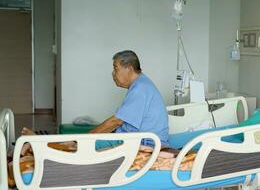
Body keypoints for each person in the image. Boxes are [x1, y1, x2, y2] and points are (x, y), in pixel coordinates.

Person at [22, 50, 169, 147]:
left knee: (83, 144)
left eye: (115, 68)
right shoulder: (142, 84)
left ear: (129, 68)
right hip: (135, 138)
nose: (113, 73)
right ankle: (45, 144)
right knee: (82, 139)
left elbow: (116, 121)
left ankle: (43, 146)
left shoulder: (140, 88)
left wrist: (88, 137)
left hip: (144, 143)